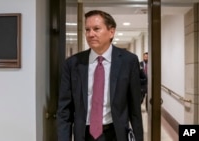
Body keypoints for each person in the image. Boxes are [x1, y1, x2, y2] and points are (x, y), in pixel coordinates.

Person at [57, 10, 143, 141]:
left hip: (116, 134)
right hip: (84, 135)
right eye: (87, 30)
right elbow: (64, 111)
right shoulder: (72, 64)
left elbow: (135, 109)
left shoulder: (128, 61)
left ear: (111, 32)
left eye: (96, 29)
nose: (90, 34)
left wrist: (139, 138)